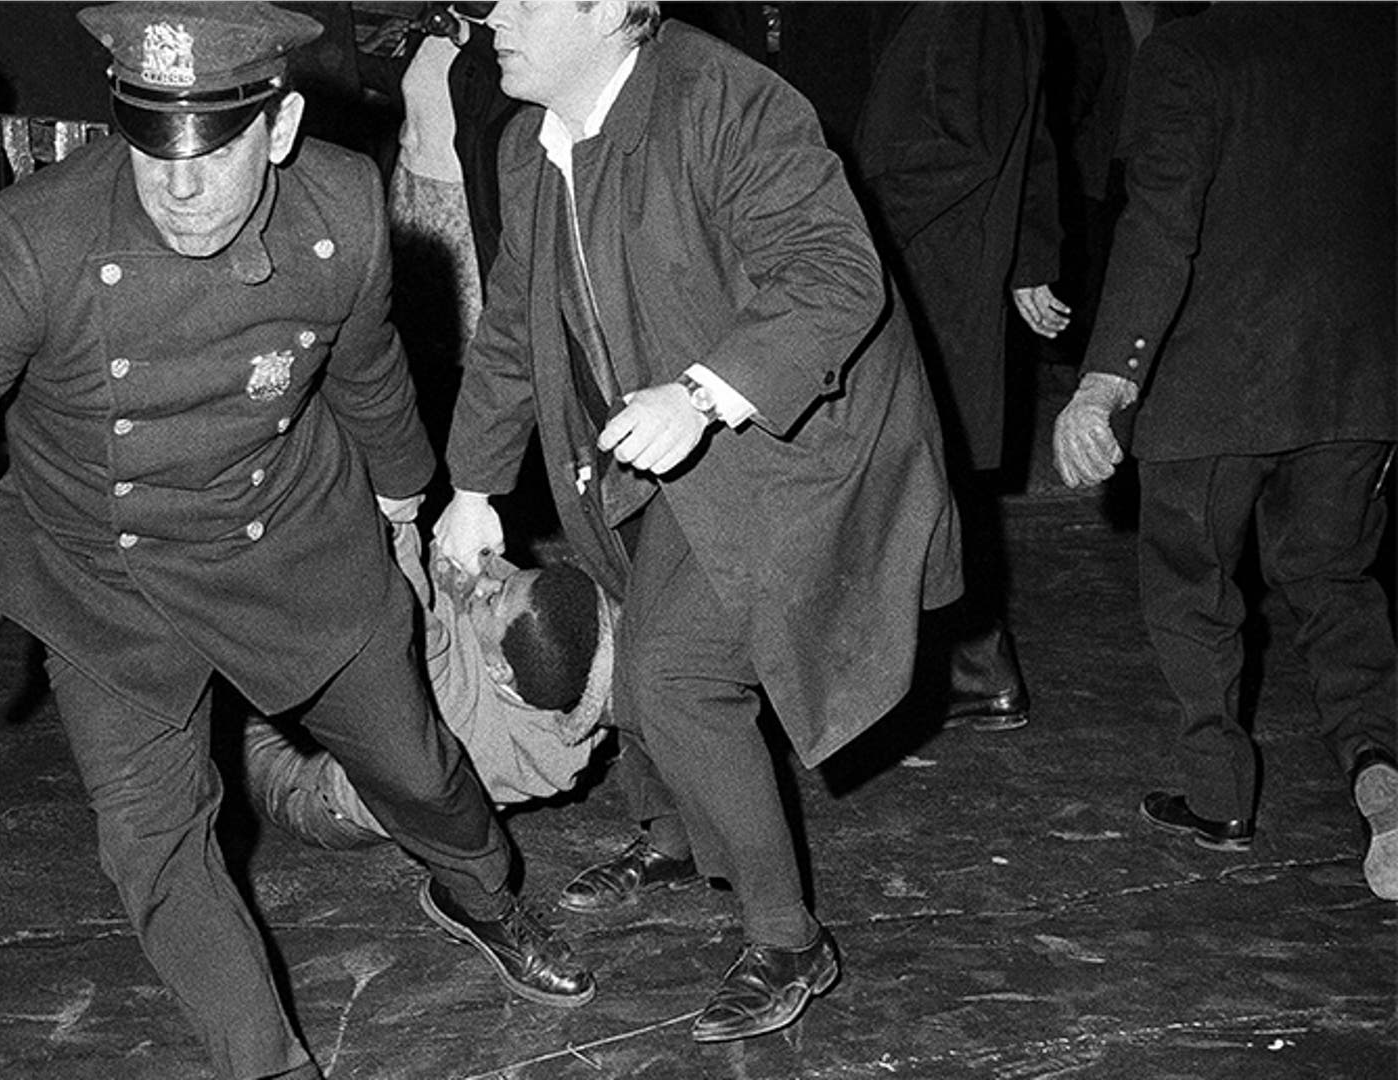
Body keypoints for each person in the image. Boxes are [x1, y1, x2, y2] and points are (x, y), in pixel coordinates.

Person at [0, 5, 595, 1078]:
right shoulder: (34, 245)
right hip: (108, 580)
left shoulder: (340, 207)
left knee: (417, 768)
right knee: (154, 846)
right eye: (152, 146)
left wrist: (407, 500)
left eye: (213, 150)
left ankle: (482, 896)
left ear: (279, 129)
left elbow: (366, 365)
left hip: (294, 537)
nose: (179, 186)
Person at [433, 0, 962, 1043]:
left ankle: (789, 939)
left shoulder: (730, 102)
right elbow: (512, 330)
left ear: (610, 8)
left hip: (785, 439)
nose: (495, 16)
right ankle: (673, 835)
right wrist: (474, 487)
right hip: (636, 437)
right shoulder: (528, 143)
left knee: (676, 673)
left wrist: (703, 394)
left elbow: (836, 273)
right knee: (636, 637)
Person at [1051, 4, 1397, 901]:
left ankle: (1220, 801)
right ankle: (1382, 774)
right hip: (1356, 379)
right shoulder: (1379, 35)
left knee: (1192, 590)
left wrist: (1106, 382)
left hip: (1215, 388)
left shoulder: (1190, 54)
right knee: (1336, 583)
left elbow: (1159, 226)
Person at [851, 1, 1069, 733]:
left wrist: (846, 220)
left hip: (933, 271)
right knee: (931, 474)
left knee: (918, 474)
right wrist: (1033, 256)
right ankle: (971, 666)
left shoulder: (973, 7)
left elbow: (963, 145)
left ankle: (965, 667)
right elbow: (1030, 132)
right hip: (946, 269)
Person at [244, 521, 612, 849]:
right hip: (405, 798)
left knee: (234, 706)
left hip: (324, 799)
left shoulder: (453, 703)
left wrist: (398, 505)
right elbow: (515, 597)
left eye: (491, 599)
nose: (486, 585)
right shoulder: (566, 682)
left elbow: (400, 589)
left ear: (499, 670)